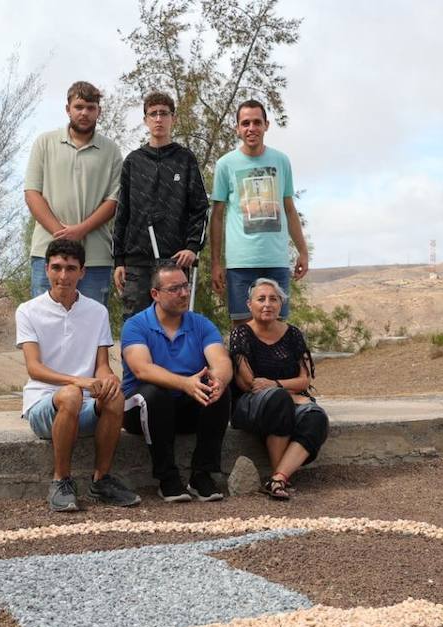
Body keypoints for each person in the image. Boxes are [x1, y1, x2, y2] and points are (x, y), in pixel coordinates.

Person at [16, 238, 140, 513]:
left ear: (82, 272)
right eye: (57, 267)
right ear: (46, 269)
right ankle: (61, 481)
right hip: (44, 405)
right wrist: (79, 381)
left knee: (116, 396)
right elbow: (34, 368)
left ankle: (101, 480)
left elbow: (101, 365)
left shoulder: (97, 312)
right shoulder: (28, 311)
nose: (63, 276)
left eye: (71, 268)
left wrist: (107, 378)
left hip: (84, 405)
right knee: (71, 394)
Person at [120, 260, 232, 502]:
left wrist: (219, 379)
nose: (183, 293)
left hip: (183, 408)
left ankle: (202, 474)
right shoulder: (135, 325)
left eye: (185, 286)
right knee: (154, 394)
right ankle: (167, 477)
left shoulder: (201, 324)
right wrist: (185, 383)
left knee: (219, 388)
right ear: (155, 294)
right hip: (141, 411)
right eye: (174, 289)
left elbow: (221, 361)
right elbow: (142, 369)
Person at [24, 81, 122, 310]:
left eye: (90, 107)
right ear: (68, 109)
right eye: (79, 107)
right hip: (47, 252)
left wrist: (80, 230)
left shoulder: (111, 150)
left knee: (90, 328)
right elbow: (32, 193)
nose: (84, 113)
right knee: (44, 324)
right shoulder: (44, 143)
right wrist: (62, 234)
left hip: (95, 257)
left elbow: (114, 201)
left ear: (99, 111)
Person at [228, 278, 329, 500]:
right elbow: (249, 383)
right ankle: (278, 478)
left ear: (281, 304)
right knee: (278, 400)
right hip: (250, 405)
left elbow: (304, 380)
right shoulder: (241, 333)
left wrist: (277, 385)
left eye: (273, 299)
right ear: (249, 305)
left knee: (316, 417)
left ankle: (278, 478)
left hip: (287, 396)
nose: (267, 304)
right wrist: (283, 392)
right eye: (261, 299)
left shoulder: (292, 334)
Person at [209, 99, 309, 321]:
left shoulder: (281, 161)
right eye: (245, 123)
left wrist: (302, 251)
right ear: (237, 128)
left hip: (276, 261)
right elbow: (216, 216)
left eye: (256, 122)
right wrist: (216, 263)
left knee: (278, 331)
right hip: (240, 263)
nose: (251, 128)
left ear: (266, 125)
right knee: (243, 332)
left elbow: (289, 209)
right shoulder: (226, 164)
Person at [111, 91, 209, 317]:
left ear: (172, 118)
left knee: (175, 325)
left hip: (174, 260)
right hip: (136, 263)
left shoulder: (185, 159)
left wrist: (192, 246)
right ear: (145, 119)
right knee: (136, 327)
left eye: (163, 113)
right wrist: (119, 260)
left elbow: (200, 208)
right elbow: (122, 213)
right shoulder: (133, 162)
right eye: (153, 114)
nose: (158, 119)